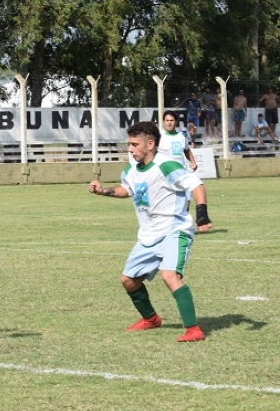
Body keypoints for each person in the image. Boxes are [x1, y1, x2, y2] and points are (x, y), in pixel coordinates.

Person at [88, 121, 213, 342]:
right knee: (128, 280)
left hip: (174, 230)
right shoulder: (131, 170)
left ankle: (194, 330)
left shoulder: (166, 165)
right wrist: (104, 191)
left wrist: (201, 213)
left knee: (169, 275)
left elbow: (196, 185)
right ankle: (151, 319)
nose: (130, 149)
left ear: (151, 144)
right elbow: (126, 189)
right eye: (129, 144)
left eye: (134, 144)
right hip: (148, 235)